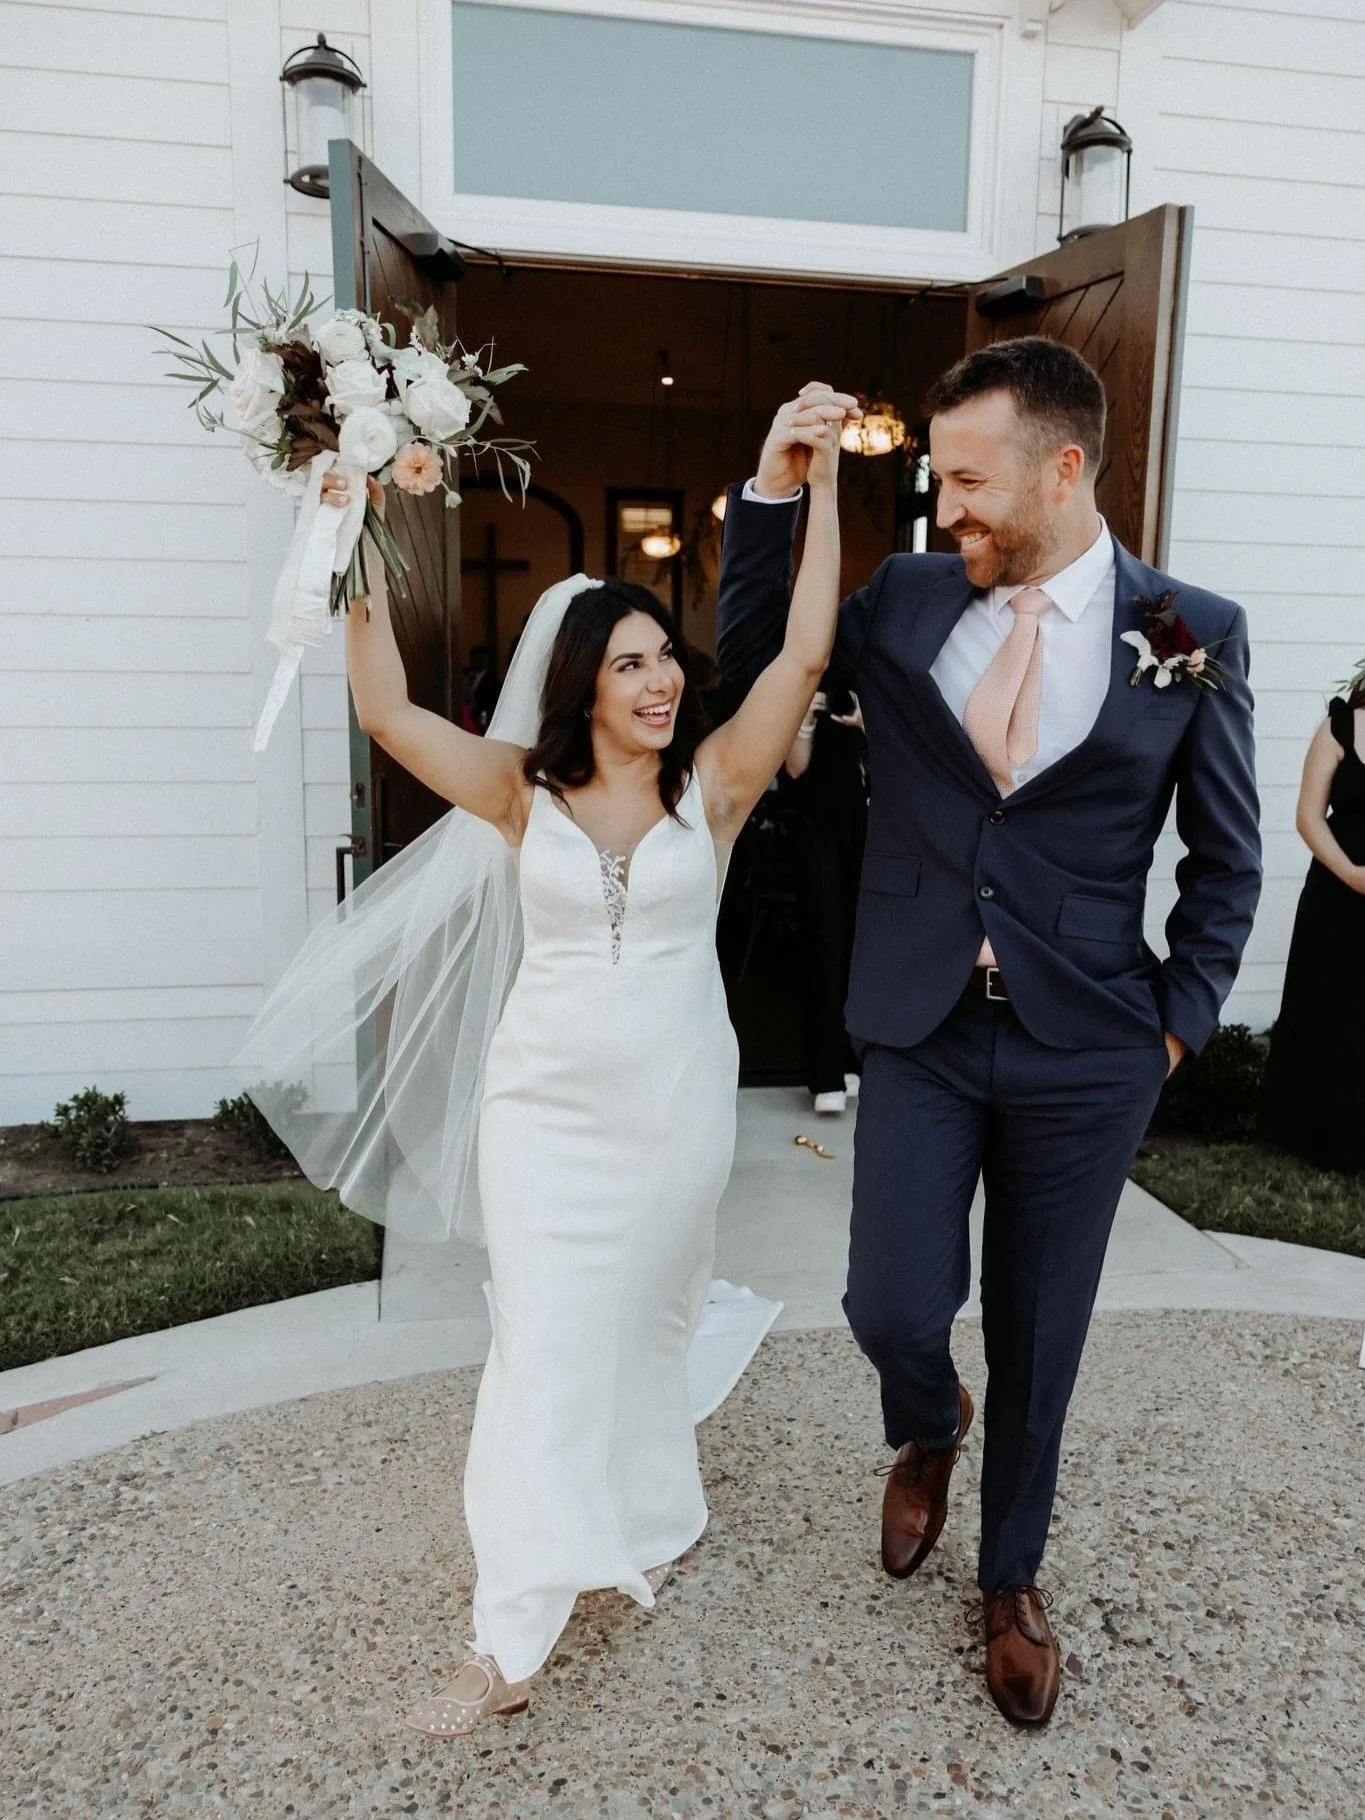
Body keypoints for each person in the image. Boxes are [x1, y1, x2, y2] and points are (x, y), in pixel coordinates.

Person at [717, 340, 1261, 1727]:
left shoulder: (1189, 631)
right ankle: (925, 1420)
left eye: (968, 480)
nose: (944, 506)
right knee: (888, 1303)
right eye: (938, 479)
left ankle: (1009, 1578)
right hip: (922, 1023)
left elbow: (1226, 860)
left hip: (1090, 1044)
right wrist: (773, 505)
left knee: (1040, 1330)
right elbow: (756, 672)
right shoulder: (902, 600)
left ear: (1062, 469)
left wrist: (1174, 1031)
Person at [284, 419, 845, 1738]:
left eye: (668, 659)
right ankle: (505, 1641)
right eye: (633, 662)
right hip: (538, 1113)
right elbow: (381, 707)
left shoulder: (712, 790)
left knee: (647, 1322)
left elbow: (807, 651)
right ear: (584, 679)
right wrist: (351, 530)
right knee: (539, 1349)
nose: (661, 682)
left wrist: (826, 491)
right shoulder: (517, 794)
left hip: (672, 1115)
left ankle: (653, 1510)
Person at [1260, 680, 1365, 1167]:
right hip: (1334, 893)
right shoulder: (1339, 726)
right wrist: (1350, 875)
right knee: (1329, 1007)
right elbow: (1308, 815)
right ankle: (1317, 1140)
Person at [782, 685, 868, 1113]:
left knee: (864, 947)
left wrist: (863, 717)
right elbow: (794, 770)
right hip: (821, 829)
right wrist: (806, 718)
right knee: (827, 944)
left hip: (873, 829)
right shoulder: (805, 688)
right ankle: (825, 1073)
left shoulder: (873, 687)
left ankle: (855, 1060)